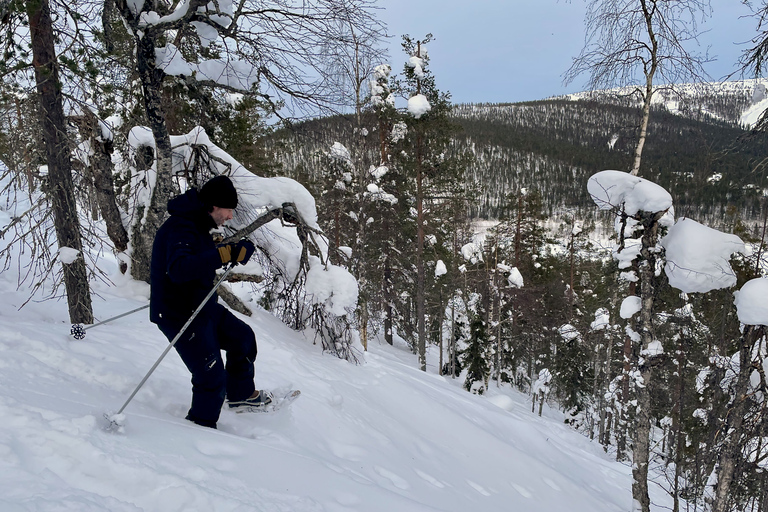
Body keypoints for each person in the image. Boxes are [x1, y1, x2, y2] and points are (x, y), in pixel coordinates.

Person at [149, 175, 271, 429]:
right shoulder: (181, 227)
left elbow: (200, 257)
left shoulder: (197, 224)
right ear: (214, 205)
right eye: (229, 211)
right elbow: (180, 269)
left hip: (201, 305)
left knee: (243, 338)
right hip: (178, 313)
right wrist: (223, 254)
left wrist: (231, 251)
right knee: (210, 376)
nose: (230, 217)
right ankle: (200, 429)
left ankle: (240, 397)